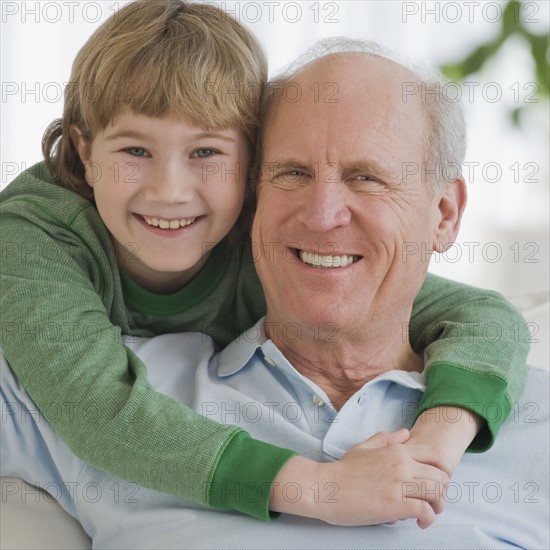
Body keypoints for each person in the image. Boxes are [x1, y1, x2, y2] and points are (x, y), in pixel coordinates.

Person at [0, 0, 529, 524]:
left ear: (250, 166)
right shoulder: (35, 236)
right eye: (134, 152)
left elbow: (483, 314)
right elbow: (98, 410)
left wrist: (437, 441)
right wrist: (320, 487)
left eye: (206, 153)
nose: (169, 191)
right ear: (84, 152)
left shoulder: (264, 237)